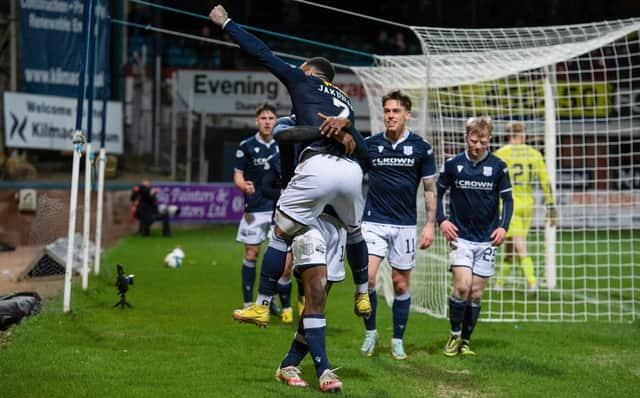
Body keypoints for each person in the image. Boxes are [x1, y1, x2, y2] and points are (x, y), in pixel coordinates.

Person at [210, 4, 369, 391]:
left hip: (317, 193)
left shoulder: (302, 91)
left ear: (309, 74)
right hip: (331, 206)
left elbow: (262, 53)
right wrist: (349, 137)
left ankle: (274, 329)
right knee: (315, 290)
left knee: (310, 291)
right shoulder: (345, 108)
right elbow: (365, 160)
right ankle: (329, 362)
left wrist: (226, 23)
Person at [358, 91, 437, 360]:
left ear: (407, 115)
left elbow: (429, 188)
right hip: (373, 221)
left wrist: (429, 224)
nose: (390, 116)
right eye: (387, 111)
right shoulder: (369, 144)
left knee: (400, 285)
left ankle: (397, 340)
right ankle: (370, 332)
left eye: (396, 111)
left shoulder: (421, 147)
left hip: (404, 226)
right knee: (366, 278)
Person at [436, 116, 513, 357]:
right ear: (466, 137)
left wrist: (503, 227)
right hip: (461, 237)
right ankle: (454, 335)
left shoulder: (499, 167)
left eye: (482, 141)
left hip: (487, 239)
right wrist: (442, 220)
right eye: (473, 140)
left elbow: (508, 200)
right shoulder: (453, 164)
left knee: (476, 293)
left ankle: (466, 341)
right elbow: (436, 194)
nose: (477, 145)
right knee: (461, 287)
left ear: (489, 140)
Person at [234, 103, 294, 320]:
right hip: (255, 208)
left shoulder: (283, 144)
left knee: (283, 261)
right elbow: (238, 174)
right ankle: (249, 302)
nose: (268, 121)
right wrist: (243, 186)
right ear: (257, 121)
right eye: (264, 118)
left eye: (271, 118)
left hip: (279, 208)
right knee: (252, 253)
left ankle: (272, 300)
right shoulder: (247, 146)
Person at [493, 121, 557, 293]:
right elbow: (545, 182)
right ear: (523, 134)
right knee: (510, 245)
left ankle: (532, 282)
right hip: (528, 205)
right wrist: (551, 206)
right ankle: (499, 283)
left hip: (507, 204)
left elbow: (493, 182)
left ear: (508, 135)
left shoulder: (500, 154)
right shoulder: (534, 154)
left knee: (518, 243)